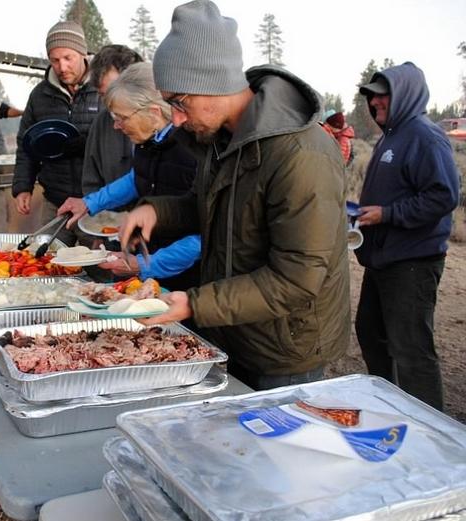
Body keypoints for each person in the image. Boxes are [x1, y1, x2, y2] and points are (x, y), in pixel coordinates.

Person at [119, 0, 350, 391]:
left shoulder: (300, 155)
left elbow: (296, 279)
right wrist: (155, 212)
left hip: (285, 348)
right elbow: (210, 207)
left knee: (275, 449)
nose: (175, 118)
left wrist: (196, 304)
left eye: (179, 102)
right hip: (234, 329)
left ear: (213, 82)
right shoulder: (220, 139)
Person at [354, 62, 460, 411]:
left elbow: (443, 196)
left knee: (411, 349)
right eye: (372, 97)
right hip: (384, 259)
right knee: (370, 333)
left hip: (412, 261)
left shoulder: (425, 136)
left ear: (406, 95)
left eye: (384, 95)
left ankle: (432, 432)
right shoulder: (392, 135)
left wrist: (387, 214)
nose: (376, 102)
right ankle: (390, 407)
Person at [57, 63, 200, 290]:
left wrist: (143, 265)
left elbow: (203, 238)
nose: (115, 126)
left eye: (122, 117)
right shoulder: (148, 142)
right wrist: (89, 203)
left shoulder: (191, 152)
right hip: (150, 268)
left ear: (153, 113)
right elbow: (137, 179)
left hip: (186, 284)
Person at [12, 20, 101, 245]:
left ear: (82, 53)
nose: (61, 67)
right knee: (51, 264)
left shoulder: (103, 89)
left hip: (96, 203)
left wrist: (87, 144)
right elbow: (25, 143)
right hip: (55, 201)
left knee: (101, 267)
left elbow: (122, 139)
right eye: (54, 60)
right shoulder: (40, 95)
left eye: (67, 58)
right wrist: (23, 186)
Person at [82, 45, 143, 196]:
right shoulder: (101, 123)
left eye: (114, 92)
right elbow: (91, 182)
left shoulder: (166, 121)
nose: (110, 103)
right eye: (104, 95)